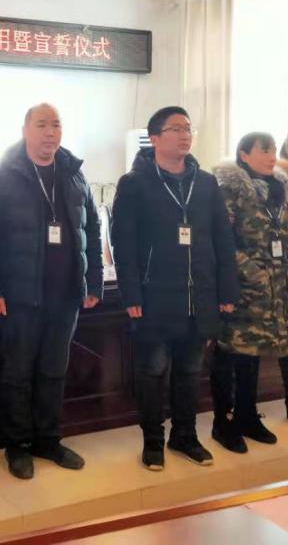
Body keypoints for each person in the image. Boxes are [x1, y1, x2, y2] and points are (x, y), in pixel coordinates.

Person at [0, 103, 102, 480]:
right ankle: (17, 445)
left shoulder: (74, 174)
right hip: (19, 297)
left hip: (65, 296)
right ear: (25, 130)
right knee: (17, 373)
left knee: (54, 371)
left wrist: (93, 282)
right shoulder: (2, 176)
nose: (50, 132)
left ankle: (48, 439)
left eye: (56, 125)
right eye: (42, 124)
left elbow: (92, 230)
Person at [111, 106, 238, 471]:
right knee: (152, 371)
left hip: (199, 297)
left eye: (188, 128)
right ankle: (153, 441)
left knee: (189, 371)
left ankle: (185, 435)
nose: (185, 135)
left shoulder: (206, 183)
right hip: (154, 295)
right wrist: (131, 293)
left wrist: (227, 291)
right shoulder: (134, 183)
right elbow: (123, 243)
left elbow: (222, 240)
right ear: (154, 138)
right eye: (176, 129)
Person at [211, 132, 288, 453]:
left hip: (274, 287)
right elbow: (222, 239)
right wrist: (252, 273)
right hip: (240, 287)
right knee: (231, 352)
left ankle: (247, 415)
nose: (272, 156)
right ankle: (223, 422)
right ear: (244, 155)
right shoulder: (230, 189)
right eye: (264, 150)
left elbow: (287, 237)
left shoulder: (278, 187)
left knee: (253, 353)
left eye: (273, 150)